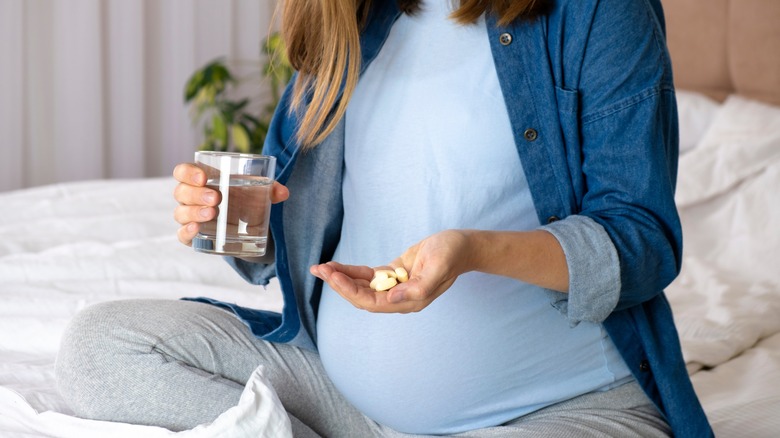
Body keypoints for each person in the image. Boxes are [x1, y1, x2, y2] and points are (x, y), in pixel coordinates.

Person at [56, 0, 714, 436]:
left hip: (558, 410)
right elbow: (288, 223)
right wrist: (228, 214)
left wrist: (472, 250)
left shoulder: (598, 11)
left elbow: (642, 239)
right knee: (100, 347)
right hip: (347, 401)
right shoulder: (356, 16)